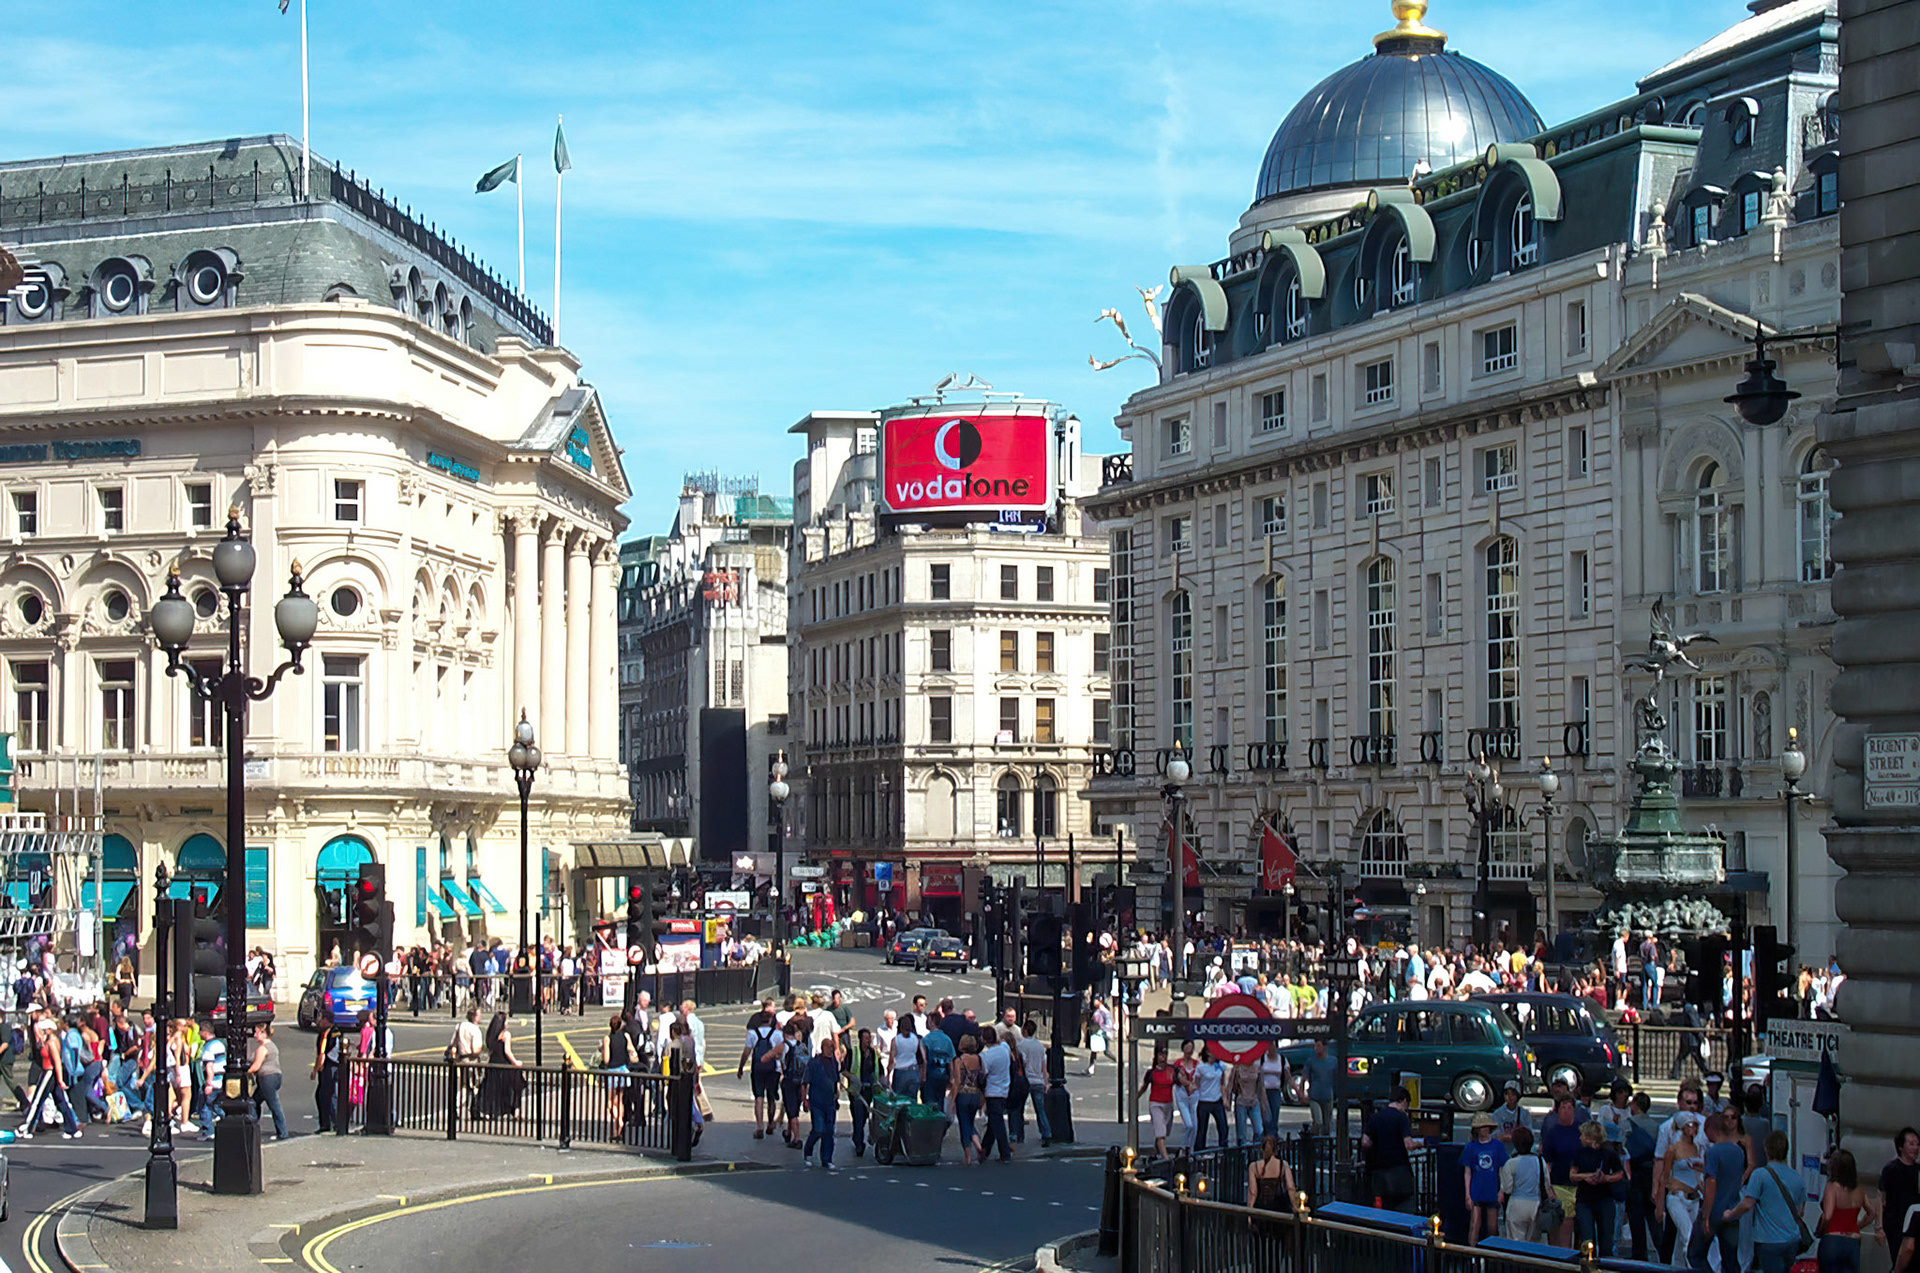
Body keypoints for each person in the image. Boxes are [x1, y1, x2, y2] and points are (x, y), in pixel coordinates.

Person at [1717, 1130, 1809, 1273]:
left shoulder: (1760, 1175)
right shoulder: (1798, 1177)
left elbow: (1747, 1204)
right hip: (1792, 1239)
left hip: (1769, 1239)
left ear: (1766, 1150)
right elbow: (1800, 1211)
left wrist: (1730, 1215)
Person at [1658, 1110, 1707, 1264]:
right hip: (1677, 1197)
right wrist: (1659, 1206)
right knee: (1688, 1236)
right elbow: (1664, 1177)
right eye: (1690, 1125)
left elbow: (1698, 1175)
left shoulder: (1698, 1148)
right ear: (1682, 1127)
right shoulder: (1673, 1149)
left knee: (1683, 1240)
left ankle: (1678, 1266)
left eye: (1696, 1125)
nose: (1694, 1128)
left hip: (1694, 1198)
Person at [1571, 1120, 1626, 1257]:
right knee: (1587, 1237)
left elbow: (1620, 1174)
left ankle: (1605, 1262)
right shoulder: (1579, 1153)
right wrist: (1586, 1177)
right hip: (1584, 1199)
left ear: (1590, 1138)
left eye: (1583, 1135)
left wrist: (1606, 1178)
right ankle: (1588, 1261)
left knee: (1606, 1238)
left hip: (1604, 1198)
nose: (1580, 1138)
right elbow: (1572, 1175)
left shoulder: (1608, 1153)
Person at [1362, 1086, 1420, 1214]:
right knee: (1404, 1206)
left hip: (1378, 1171)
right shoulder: (1401, 1117)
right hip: (1398, 1170)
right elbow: (1408, 1145)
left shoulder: (1376, 1117)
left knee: (1382, 1206)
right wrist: (1421, 1143)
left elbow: (1365, 1142)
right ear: (1404, 1100)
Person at [1818, 1148, 1875, 1273]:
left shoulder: (1832, 1187)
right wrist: (1857, 1226)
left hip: (1833, 1240)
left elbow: (1828, 1216)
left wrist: (1820, 1230)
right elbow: (1872, 1214)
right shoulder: (1860, 1189)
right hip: (1853, 1241)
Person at [1539, 1094, 1585, 1245]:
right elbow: (1547, 1162)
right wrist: (1548, 1188)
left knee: (1576, 1225)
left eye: (1569, 1107)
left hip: (1579, 1184)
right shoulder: (1553, 1133)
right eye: (1563, 1107)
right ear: (1558, 1111)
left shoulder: (1581, 1131)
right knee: (1562, 1221)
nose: (1566, 1111)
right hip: (1559, 1184)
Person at [1465, 1113, 1510, 1244]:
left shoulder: (1498, 1146)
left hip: (1492, 1190)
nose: (1483, 1130)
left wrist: (1502, 1190)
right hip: (1476, 1190)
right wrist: (1467, 1195)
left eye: (1485, 1127)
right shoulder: (1471, 1147)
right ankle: (1471, 1252)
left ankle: (1492, 1252)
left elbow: (1503, 1170)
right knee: (1475, 1225)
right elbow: (1467, 1172)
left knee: (1493, 1227)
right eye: (1481, 1128)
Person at [740, 1002, 782, 1139]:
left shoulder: (752, 1033)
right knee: (771, 1097)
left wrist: (741, 1067)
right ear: (770, 1020)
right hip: (773, 1069)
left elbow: (746, 1052)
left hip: (757, 1068)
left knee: (759, 1097)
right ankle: (770, 1123)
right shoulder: (777, 1034)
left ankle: (759, 1126)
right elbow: (781, 1052)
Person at [1879, 1128, 1920, 1273]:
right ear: (1901, 1147)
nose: (1915, 1148)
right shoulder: (1891, 1169)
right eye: (1911, 1144)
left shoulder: (1918, 1170)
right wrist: (1879, 1226)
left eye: (1917, 1144)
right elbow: (1881, 1199)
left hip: (1915, 1224)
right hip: (1895, 1224)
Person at [802, 1033, 842, 1171]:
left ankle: (827, 1159)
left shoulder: (834, 1063)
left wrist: (837, 1094)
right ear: (823, 1047)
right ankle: (808, 1151)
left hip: (830, 1101)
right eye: (829, 1047)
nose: (831, 1049)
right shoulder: (814, 1063)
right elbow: (805, 1082)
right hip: (817, 1101)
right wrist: (805, 1100)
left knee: (829, 1131)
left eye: (832, 1047)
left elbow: (836, 1080)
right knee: (818, 1129)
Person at [474, 1012, 524, 1119]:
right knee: (514, 1087)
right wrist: (516, 1062)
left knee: (493, 1089)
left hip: (493, 1063)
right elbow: (507, 1051)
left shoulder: (491, 1035)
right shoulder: (506, 1034)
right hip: (504, 1065)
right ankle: (514, 1109)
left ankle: (490, 1111)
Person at [1500, 1126, 1546, 1242]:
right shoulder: (1540, 1161)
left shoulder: (1510, 1163)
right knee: (1533, 1242)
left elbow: (1507, 1189)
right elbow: (1546, 1183)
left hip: (1516, 1204)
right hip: (1535, 1204)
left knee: (1515, 1242)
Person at [245, 1022, 288, 1140]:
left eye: (257, 1032)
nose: (254, 1035)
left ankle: (282, 1133)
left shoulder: (263, 1048)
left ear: (264, 1033)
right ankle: (254, 1126)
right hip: (275, 1076)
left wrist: (246, 1072)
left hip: (267, 1078)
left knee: (273, 1105)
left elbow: (256, 1066)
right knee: (255, 1101)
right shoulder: (272, 1045)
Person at [1012, 1020, 1052, 1145]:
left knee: (1019, 1109)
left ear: (1024, 1030)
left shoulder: (1021, 1045)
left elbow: (1022, 1062)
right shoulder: (1039, 1046)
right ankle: (1046, 1133)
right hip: (1038, 1080)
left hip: (1025, 1080)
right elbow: (1044, 1066)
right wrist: (1045, 1082)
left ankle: (1019, 1134)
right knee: (1040, 1110)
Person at [1141, 1043, 1181, 1162]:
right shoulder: (1152, 1072)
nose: (1163, 1057)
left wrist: (1189, 1084)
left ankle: (1156, 1151)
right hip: (1155, 1103)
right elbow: (1144, 1087)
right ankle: (1166, 1158)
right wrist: (1135, 1097)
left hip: (1168, 1103)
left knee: (1164, 1131)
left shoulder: (1172, 1070)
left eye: (1165, 1054)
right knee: (1160, 1131)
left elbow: (1181, 1081)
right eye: (1160, 1054)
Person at [979, 1025, 1014, 1163]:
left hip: (992, 1091)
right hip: (1004, 1089)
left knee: (997, 1123)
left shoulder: (986, 1056)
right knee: (993, 1123)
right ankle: (984, 1149)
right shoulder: (1004, 1049)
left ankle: (1005, 1153)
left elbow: (983, 1074)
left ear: (983, 1039)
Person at [844, 1027, 880, 1158]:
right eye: (865, 1038)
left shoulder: (874, 1053)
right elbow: (844, 1070)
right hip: (856, 1092)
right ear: (860, 1039)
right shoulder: (853, 1052)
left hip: (869, 1090)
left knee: (863, 1117)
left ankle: (856, 1136)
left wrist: (881, 1082)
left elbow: (878, 1069)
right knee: (858, 1117)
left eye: (869, 1038)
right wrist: (852, 1078)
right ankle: (859, 1144)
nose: (868, 1040)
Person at [950, 1034, 986, 1165]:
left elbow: (957, 1081)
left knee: (964, 1124)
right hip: (975, 1094)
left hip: (963, 1095)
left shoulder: (959, 1060)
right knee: (970, 1123)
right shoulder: (979, 1059)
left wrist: (953, 1100)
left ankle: (968, 1156)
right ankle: (978, 1144)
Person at [600, 1013, 636, 1139]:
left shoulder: (607, 1039)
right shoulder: (626, 1036)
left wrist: (602, 1051)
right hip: (623, 1070)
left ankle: (618, 1122)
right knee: (619, 1100)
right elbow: (631, 1050)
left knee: (610, 1102)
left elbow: (606, 1059)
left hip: (613, 1071)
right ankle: (617, 1130)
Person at [778, 1018, 811, 1147]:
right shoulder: (802, 1046)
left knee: (792, 1112)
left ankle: (796, 1139)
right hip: (801, 1081)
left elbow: (781, 1063)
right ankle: (788, 1131)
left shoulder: (785, 1047)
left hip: (789, 1081)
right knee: (794, 1108)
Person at [1247, 1133, 1299, 1213]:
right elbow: (1291, 1187)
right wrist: (1295, 1206)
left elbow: (1253, 1191)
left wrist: (1250, 1210)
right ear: (1276, 1149)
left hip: (1261, 1207)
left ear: (1262, 1149)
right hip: (1279, 1207)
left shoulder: (1254, 1166)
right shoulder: (1283, 1165)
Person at [1189, 1049, 1228, 1152]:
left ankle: (1223, 1151)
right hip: (1204, 1101)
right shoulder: (1201, 1067)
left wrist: (1225, 1099)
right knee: (1202, 1129)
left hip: (1217, 1100)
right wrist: (1192, 1088)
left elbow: (1222, 1084)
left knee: (1223, 1127)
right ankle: (1199, 1152)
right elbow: (1196, 1083)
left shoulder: (1220, 1065)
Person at [1303, 1039, 1335, 1136]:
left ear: (1324, 1047)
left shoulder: (1333, 1061)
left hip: (1328, 1096)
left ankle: (1324, 1142)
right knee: (1318, 1122)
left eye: (1318, 1046)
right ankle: (1314, 1138)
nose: (1316, 1048)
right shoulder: (1311, 1061)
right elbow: (1304, 1077)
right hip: (1314, 1096)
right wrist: (1302, 1093)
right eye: (1315, 1046)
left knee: (1327, 1125)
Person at [889, 1014, 923, 1099]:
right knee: (912, 1099)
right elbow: (924, 1058)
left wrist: (888, 1073)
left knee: (899, 1098)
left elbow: (892, 1058)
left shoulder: (896, 1040)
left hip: (900, 1071)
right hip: (913, 1071)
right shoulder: (916, 1039)